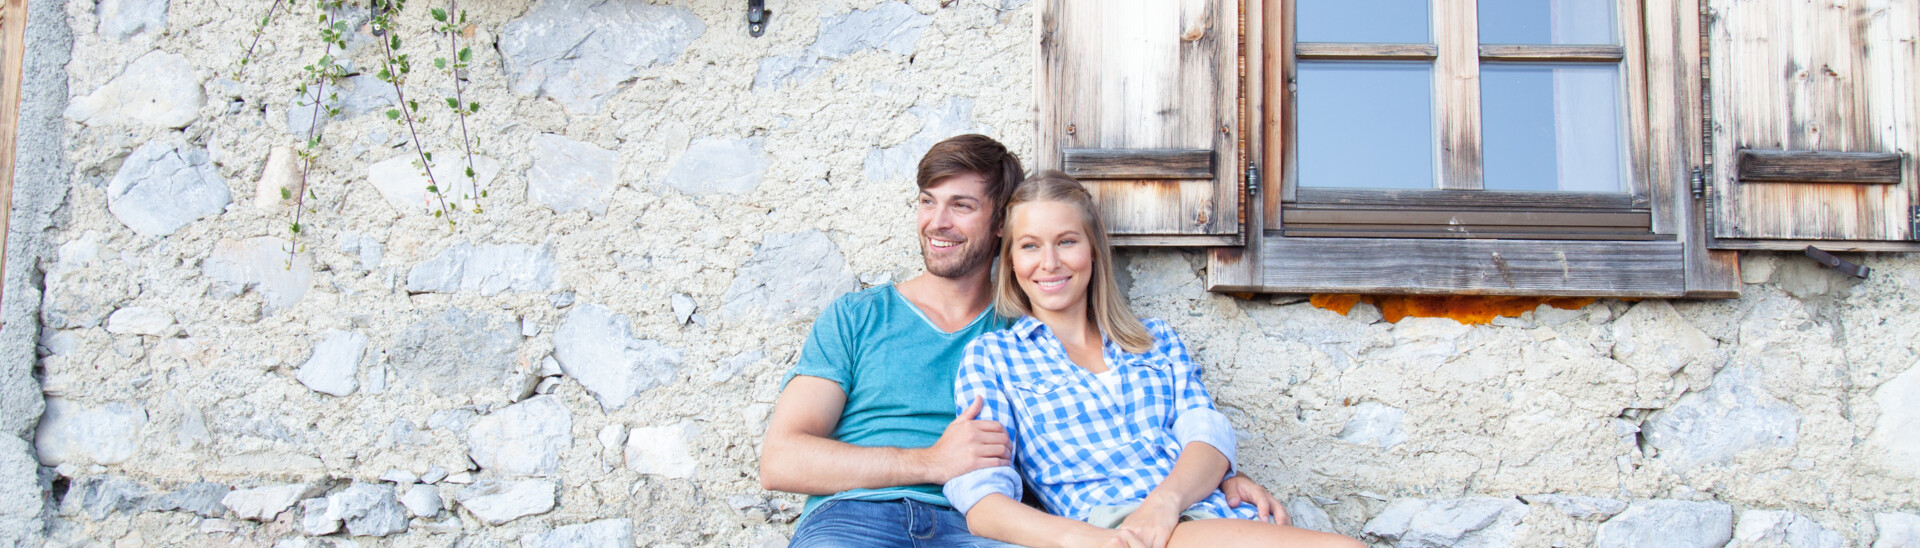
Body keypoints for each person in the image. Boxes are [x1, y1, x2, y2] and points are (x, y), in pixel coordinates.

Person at [760, 137, 1284, 547]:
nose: (937, 223)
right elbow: (781, 460)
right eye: (927, 202)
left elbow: (1104, 429)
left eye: (961, 206)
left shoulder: (1029, 333)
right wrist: (930, 463)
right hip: (857, 517)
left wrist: (1218, 478)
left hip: (980, 529)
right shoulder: (858, 317)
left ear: (1000, 228)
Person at [943, 172, 1364, 548]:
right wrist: (1088, 541)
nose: (1049, 262)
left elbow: (1208, 440)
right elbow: (983, 502)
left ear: (1093, 249)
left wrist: (1166, 502)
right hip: (1113, 529)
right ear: (1012, 260)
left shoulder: (1155, 340)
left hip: (1201, 513)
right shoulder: (994, 358)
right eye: (1030, 246)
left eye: (1066, 241)